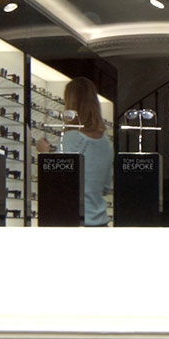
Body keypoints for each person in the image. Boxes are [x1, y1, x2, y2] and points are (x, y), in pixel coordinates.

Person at [43, 75, 112, 227]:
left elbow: (59, 181)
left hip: (75, 219)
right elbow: (106, 187)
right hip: (100, 220)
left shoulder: (73, 137)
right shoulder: (106, 141)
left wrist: (45, 154)